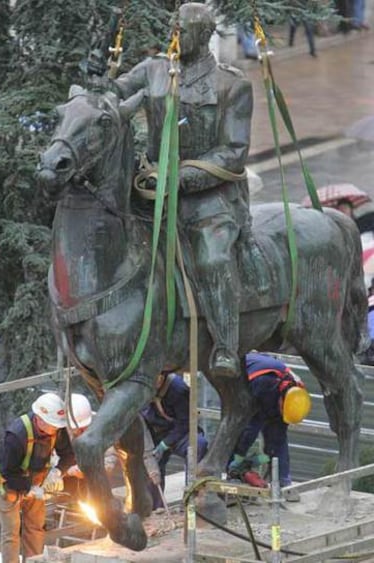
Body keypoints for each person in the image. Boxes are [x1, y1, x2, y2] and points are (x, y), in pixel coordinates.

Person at [113, 2, 267, 379]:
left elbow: (233, 153)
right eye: (174, 27)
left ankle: (226, 345)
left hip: (209, 197)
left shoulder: (231, 84)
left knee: (213, 259)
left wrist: (184, 177)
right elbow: (111, 97)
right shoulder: (151, 71)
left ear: (205, 33)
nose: (176, 35)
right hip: (150, 191)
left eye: (185, 29)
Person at [0, 392, 92, 563]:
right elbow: (7, 472)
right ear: (39, 419)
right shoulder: (16, 436)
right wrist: (29, 489)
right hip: (10, 485)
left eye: (57, 426)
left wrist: (58, 472)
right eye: (52, 425)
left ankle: (34, 560)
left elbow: (68, 455)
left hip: (38, 480)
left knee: (35, 529)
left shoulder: (56, 430)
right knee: (12, 533)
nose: (55, 430)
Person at [227, 353, 311, 487]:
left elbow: (278, 438)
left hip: (275, 389)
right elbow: (250, 426)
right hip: (245, 376)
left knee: (278, 438)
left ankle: (283, 480)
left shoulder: (297, 394)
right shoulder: (264, 385)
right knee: (246, 432)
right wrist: (236, 462)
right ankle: (232, 469)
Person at [141, 369, 208, 510]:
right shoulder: (143, 385)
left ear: (161, 377)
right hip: (156, 433)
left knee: (198, 445)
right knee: (151, 462)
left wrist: (166, 443)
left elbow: (186, 422)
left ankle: (190, 499)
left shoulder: (178, 389)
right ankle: (155, 507)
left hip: (180, 432)